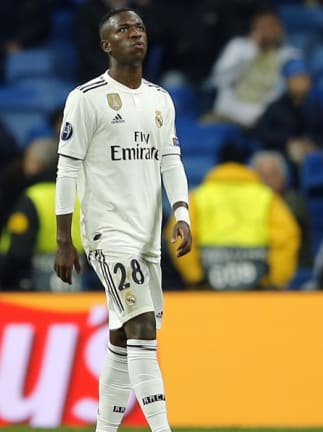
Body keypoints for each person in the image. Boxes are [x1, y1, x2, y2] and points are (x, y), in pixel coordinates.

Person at [54, 8, 191, 432]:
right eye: (124, 29)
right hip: (107, 231)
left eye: (140, 28)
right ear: (106, 44)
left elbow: (171, 159)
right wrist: (64, 239)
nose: (135, 34)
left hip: (147, 234)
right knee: (143, 326)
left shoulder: (160, 100)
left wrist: (181, 212)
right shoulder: (86, 98)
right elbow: (67, 169)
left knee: (121, 336)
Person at [171, 143, 300, 290]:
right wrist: (276, 281)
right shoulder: (267, 197)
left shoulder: (198, 196)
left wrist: (195, 277)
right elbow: (286, 238)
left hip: (209, 281)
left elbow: (179, 236)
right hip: (258, 284)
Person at [0, 138, 83, 291]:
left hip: (36, 289)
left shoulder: (31, 198)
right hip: (80, 286)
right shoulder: (79, 196)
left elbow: (18, 251)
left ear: (35, 164)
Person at [209, 8, 301, 128]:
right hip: (226, 116)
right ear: (254, 29)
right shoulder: (238, 47)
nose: (267, 32)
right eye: (262, 27)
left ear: (280, 28)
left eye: (271, 26)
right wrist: (252, 50)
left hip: (262, 121)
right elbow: (219, 81)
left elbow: (290, 92)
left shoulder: (289, 55)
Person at [253, 58, 323, 161]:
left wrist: (314, 145)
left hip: (311, 152)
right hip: (280, 153)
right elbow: (263, 132)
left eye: (304, 79)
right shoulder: (275, 107)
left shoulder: (317, 108)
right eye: (296, 79)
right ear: (287, 82)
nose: (301, 84)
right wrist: (287, 141)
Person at [250, 150, 312, 268]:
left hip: (295, 270)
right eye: (261, 175)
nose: (266, 181)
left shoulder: (294, 201)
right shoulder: (249, 204)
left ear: (283, 178)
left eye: (272, 175)